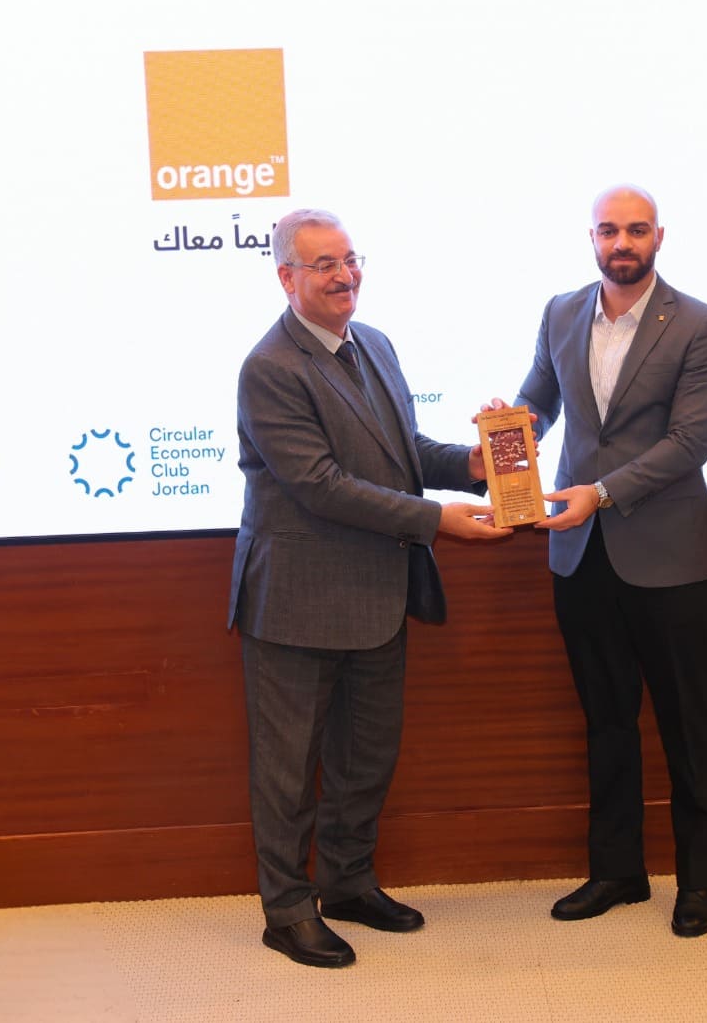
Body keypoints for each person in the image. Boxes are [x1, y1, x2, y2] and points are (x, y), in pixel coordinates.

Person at [228, 207, 511, 968]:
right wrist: (437, 520)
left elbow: (400, 450)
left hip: (378, 593)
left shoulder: (374, 343)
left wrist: (471, 465)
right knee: (288, 770)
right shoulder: (270, 368)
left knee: (367, 756)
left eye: (350, 259)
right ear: (286, 277)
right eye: (323, 264)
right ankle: (287, 910)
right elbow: (321, 485)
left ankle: (348, 882)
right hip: (297, 600)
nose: (343, 275)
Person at [491, 185, 707, 937]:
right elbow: (540, 402)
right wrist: (510, 425)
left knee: (688, 726)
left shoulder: (701, 325)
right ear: (591, 238)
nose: (620, 243)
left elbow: (689, 444)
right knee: (606, 720)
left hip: (668, 557)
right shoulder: (562, 311)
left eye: (635, 230)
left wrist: (599, 493)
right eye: (608, 231)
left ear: (658, 237)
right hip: (580, 554)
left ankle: (697, 884)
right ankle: (617, 871)